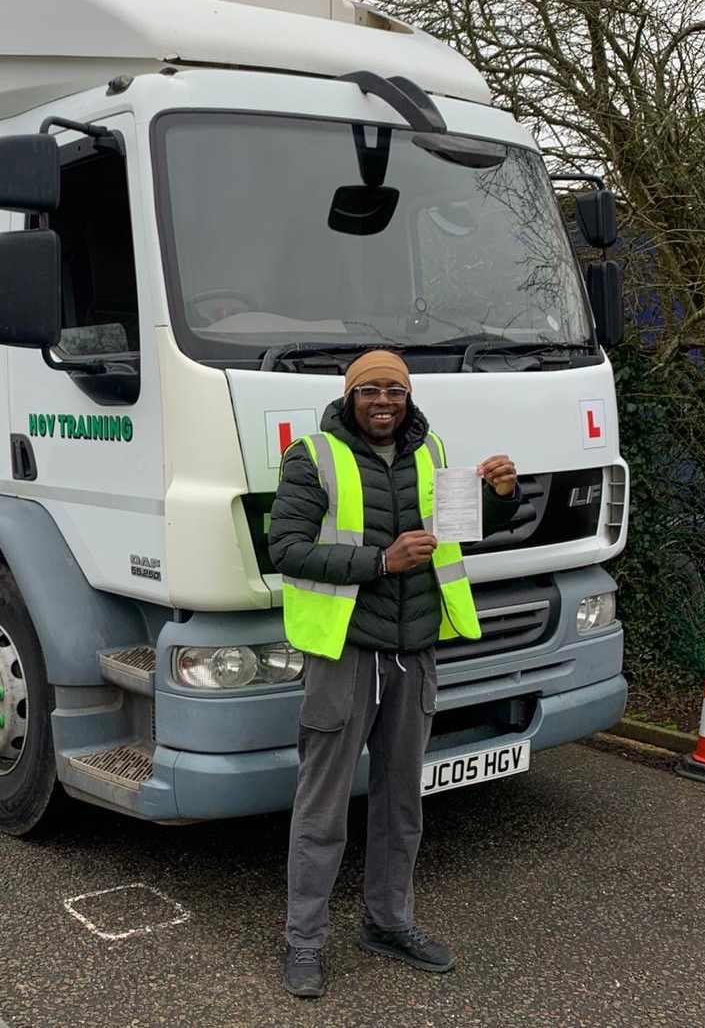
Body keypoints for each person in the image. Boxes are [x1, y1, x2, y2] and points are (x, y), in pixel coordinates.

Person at [269, 349, 519, 999]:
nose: (384, 401)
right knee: (322, 809)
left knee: (402, 803)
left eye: (396, 391)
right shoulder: (312, 455)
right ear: (350, 396)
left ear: (408, 398)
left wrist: (500, 499)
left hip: (415, 652)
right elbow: (287, 549)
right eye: (371, 390)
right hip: (345, 654)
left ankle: (387, 922)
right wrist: (381, 562)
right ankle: (303, 942)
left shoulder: (431, 451)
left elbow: (458, 533)